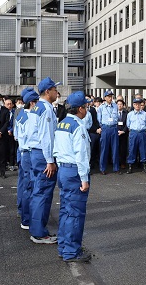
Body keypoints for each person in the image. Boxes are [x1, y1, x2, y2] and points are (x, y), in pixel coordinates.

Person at [54, 91, 92, 263]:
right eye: (86, 106)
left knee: (65, 211)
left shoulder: (62, 124)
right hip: (75, 171)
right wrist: (84, 179)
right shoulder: (79, 126)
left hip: (63, 170)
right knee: (75, 213)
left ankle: (64, 246)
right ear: (80, 109)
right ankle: (71, 251)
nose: (87, 110)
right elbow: (81, 155)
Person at [28, 77, 60, 244]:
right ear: (48, 92)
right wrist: (50, 160)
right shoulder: (46, 109)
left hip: (35, 153)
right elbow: (46, 137)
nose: (57, 93)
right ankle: (39, 232)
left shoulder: (36, 107)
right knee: (43, 193)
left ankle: (36, 228)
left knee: (38, 192)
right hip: (43, 155)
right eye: (55, 90)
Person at [15, 88, 38, 230]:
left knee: (24, 185)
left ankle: (23, 212)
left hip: (23, 151)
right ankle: (27, 218)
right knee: (29, 186)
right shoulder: (31, 117)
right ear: (32, 103)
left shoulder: (21, 115)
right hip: (29, 153)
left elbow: (17, 135)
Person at [97, 90, 120, 175]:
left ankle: (116, 168)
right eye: (109, 96)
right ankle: (102, 168)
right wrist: (103, 127)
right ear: (105, 97)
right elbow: (99, 119)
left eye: (111, 96)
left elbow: (117, 117)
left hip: (114, 128)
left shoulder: (115, 106)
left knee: (115, 149)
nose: (110, 98)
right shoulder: (101, 107)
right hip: (105, 128)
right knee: (104, 149)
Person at [126, 98, 146, 174]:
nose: (137, 106)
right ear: (133, 105)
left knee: (143, 149)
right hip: (133, 133)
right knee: (132, 149)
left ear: (141, 105)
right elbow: (128, 124)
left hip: (142, 133)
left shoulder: (145, 114)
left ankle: (144, 166)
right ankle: (130, 166)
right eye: (136, 104)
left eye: (139, 104)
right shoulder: (130, 114)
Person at [87, 97, 102, 172]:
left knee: (100, 149)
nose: (98, 104)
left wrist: (101, 129)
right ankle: (92, 163)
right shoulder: (91, 111)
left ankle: (100, 163)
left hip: (101, 131)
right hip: (93, 132)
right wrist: (96, 130)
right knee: (92, 149)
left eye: (100, 102)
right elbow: (90, 123)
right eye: (96, 102)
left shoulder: (103, 109)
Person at [5, 98, 17, 171]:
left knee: (12, 149)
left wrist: (11, 130)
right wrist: (7, 130)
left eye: (10, 104)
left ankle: (11, 164)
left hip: (12, 133)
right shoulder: (3, 112)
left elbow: (16, 123)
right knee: (5, 150)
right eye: (7, 104)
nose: (9, 105)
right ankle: (5, 164)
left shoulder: (15, 112)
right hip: (5, 133)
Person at [116, 99, 128, 170]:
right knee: (116, 149)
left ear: (123, 105)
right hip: (116, 133)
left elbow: (127, 124)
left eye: (121, 104)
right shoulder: (114, 113)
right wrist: (117, 131)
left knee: (123, 149)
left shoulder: (126, 113)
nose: (119, 105)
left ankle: (123, 163)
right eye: (118, 104)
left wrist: (123, 131)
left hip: (124, 133)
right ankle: (117, 162)